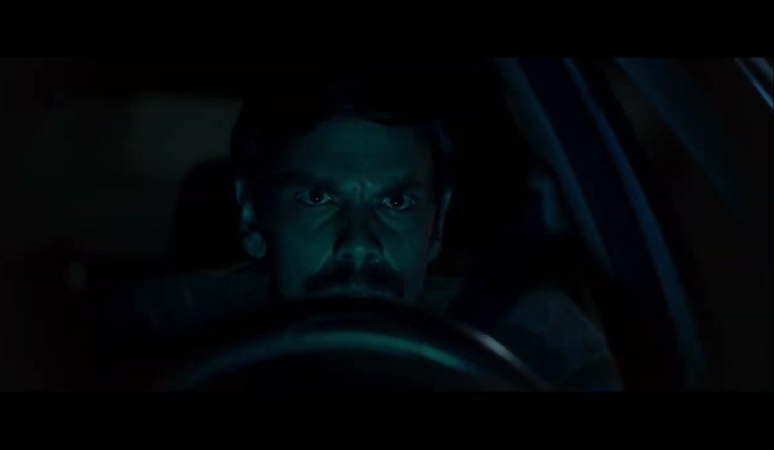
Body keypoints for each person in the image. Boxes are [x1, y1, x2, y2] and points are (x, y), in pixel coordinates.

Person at [101, 60, 622, 390]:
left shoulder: (538, 345)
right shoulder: (152, 338)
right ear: (252, 216)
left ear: (437, 223)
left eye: (395, 203)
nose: (358, 244)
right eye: (318, 198)